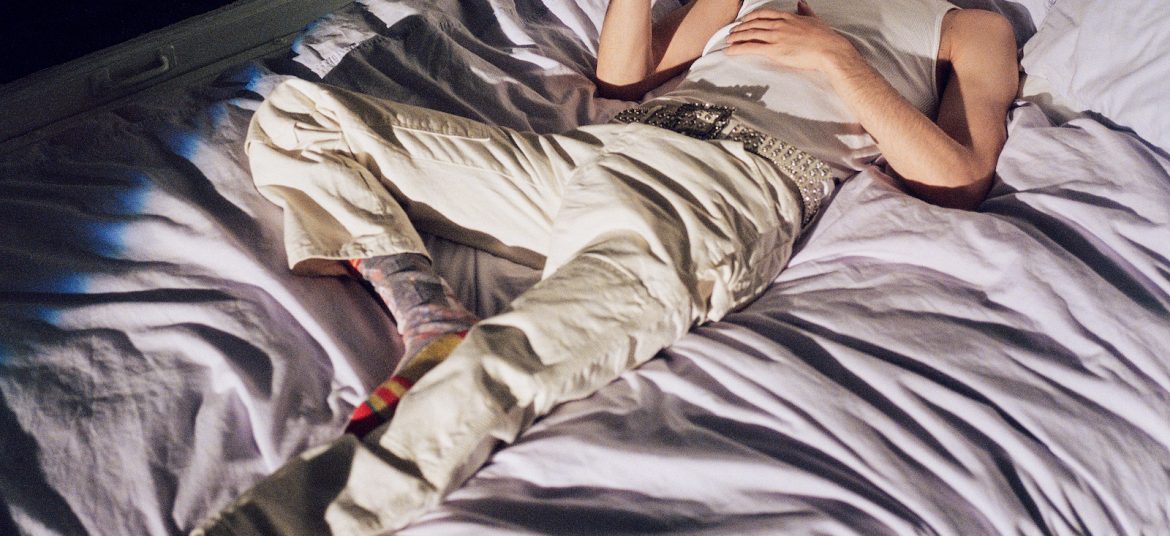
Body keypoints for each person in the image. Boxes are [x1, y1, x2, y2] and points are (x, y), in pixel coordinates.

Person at [196, 0, 1018, 533]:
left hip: (724, 188)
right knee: (301, 119)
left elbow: (960, 177)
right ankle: (428, 311)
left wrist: (838, 59)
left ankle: (293, 520)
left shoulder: (966, 25)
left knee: (517, 360)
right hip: (607, 148)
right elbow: (622, 80)